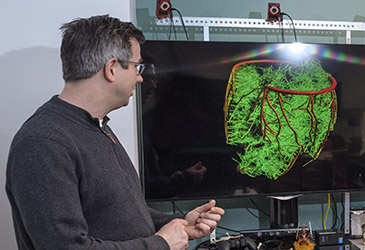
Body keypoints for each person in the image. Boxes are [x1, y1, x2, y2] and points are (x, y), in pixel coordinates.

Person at [5, 15, 224, 250]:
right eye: (137, 67)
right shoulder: (44, 142)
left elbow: (121, 214)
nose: (140, 77)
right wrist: (161, 244)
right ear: (111, 69)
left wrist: (178, 224)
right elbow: (66, 246)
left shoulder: (96, 127)